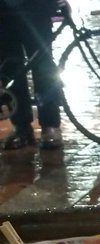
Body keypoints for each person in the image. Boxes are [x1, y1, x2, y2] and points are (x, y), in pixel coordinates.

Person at [0, 0, 63, 149]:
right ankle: (21, 126)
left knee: (44, 67)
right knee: (11, 68)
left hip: (37, 8)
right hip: (4, 12)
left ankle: (50, 125)